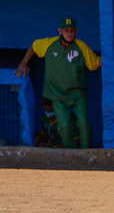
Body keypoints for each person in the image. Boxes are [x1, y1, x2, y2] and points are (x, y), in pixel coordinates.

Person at [16, 17, 101, 149]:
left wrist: (109, 57)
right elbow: (34, 46)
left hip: (78, 94)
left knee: (83, 123)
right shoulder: (50, 44)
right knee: (64, 126)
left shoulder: (81, 46)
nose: (69, 33)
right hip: (57, 94)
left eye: (72, 30)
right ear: (60, 31)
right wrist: (23, 62)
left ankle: (87, 155)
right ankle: (71, 156)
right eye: (66, 30)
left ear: (76, 31)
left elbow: (94, 64)